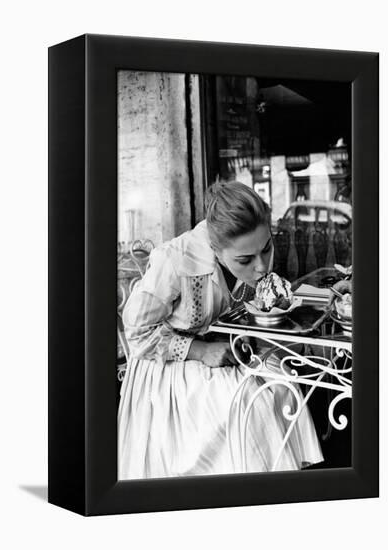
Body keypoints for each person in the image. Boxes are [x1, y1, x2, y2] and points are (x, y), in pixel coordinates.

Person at [118, 181, 323, 479]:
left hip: (220, 346)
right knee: (247, 403)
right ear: (215, 248)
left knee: (281, 379)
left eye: (266, 248)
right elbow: (136, 332)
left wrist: (326, 295)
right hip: (166, 365)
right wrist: (199, 351)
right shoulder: (175, 261)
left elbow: (266, 296)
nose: (262, 266)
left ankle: (280, 485)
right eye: (245, 260)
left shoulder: (251, 261)